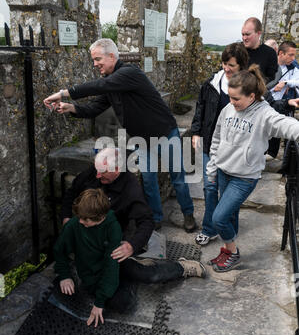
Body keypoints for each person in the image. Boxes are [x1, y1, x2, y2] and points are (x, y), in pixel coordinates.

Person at [43, 38, 196, 233]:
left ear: (112, 56)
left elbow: (98, 86)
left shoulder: (129, 73)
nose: (95, 64)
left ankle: (188, 214)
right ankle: (155, 218)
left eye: (98, 59)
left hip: (164, 133)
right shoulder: (112, 85)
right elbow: (93, 108)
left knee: (178, 178)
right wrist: (70, 107)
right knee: (149, 181)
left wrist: (64, 93)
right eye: (93, 60)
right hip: (142, 140)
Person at [60, 148, 206, 314]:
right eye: (97, 171)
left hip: (112, 246)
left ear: (116, 170)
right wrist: (66, 218)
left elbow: (146, 221)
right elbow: (71, 193)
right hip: (89, 246)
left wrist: (131, 246)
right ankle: (119, 278)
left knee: (143, 283)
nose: (97, 176)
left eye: (102, 172)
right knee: (110, 297)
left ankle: (182, 267)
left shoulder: (130, 188)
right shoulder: (95, 172)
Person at [205, 64, 299, 272]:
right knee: (230, 215)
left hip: (244, 177)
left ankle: (233, 253)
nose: (232, 102)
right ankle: (228, 250)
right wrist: (212, 168)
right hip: (224, 171)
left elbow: (287, 124)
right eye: (230, 97)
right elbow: (217, 139)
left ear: (252, 96)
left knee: (218, 217)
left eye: (236, 98)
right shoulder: (228, 108)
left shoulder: (264, 114)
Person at [191, 42, 249, 246]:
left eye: (231, 64)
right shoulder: (211, 84)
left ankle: (229, 229)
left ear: (241, 65)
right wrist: (196, 132)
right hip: (211, 145)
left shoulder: (248, 88)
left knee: (229, 193)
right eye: (225, 63)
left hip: (234, 150)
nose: (226, 68)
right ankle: (209, 229)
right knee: (209, 187)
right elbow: (200, 107)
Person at [54, 188, 122, 328]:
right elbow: (59, 250)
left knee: (144, 273)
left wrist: (99, 303)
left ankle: (179, 267)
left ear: (101, 217)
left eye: (85, 219)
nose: (80, 221)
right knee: (123, 303)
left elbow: (111, 264)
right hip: (92, 275)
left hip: (113, 265)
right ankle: (118, 285)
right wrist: (64, 275)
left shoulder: (113, 227)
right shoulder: (74, 225)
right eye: (79, 217)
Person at [241, 17, 278, 83]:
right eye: (243, 34)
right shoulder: (237, 50)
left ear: (258, 33)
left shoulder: (270, 53)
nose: (244, 38)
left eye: (247, 34)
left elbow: (271, 77)